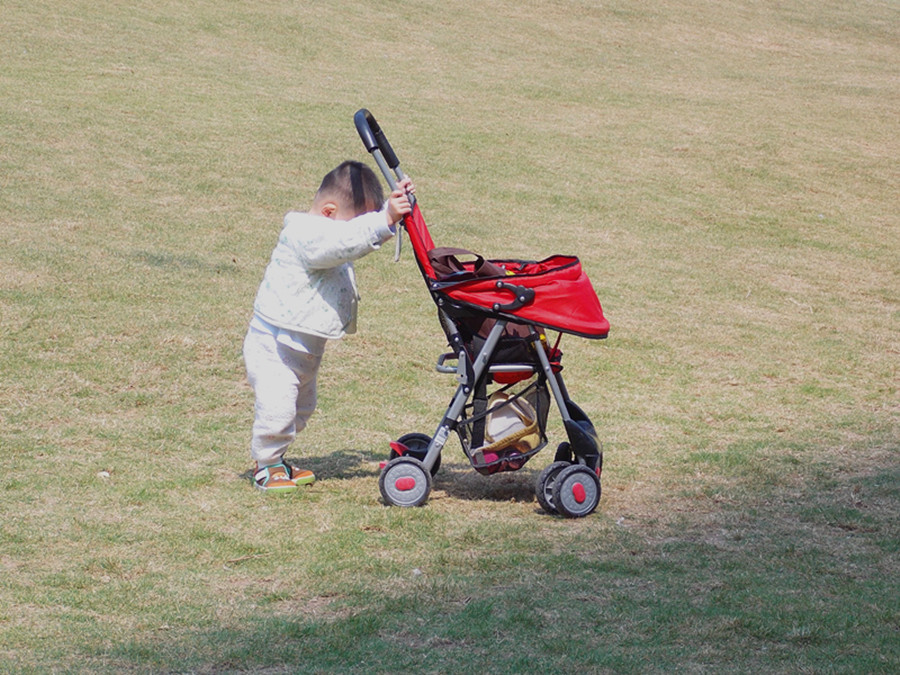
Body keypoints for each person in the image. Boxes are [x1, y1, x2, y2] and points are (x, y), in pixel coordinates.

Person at [243, 160, 414, 492]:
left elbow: (348, 237)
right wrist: (383, 221)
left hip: (303, 346)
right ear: (328, 212)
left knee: (301, 408)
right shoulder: (306, 234)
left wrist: (395, 207)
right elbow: (344, 242)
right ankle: (265, 465)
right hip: (274, 345)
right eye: (352, 225)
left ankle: (276, 460)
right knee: (277, 409)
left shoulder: (325, 229)